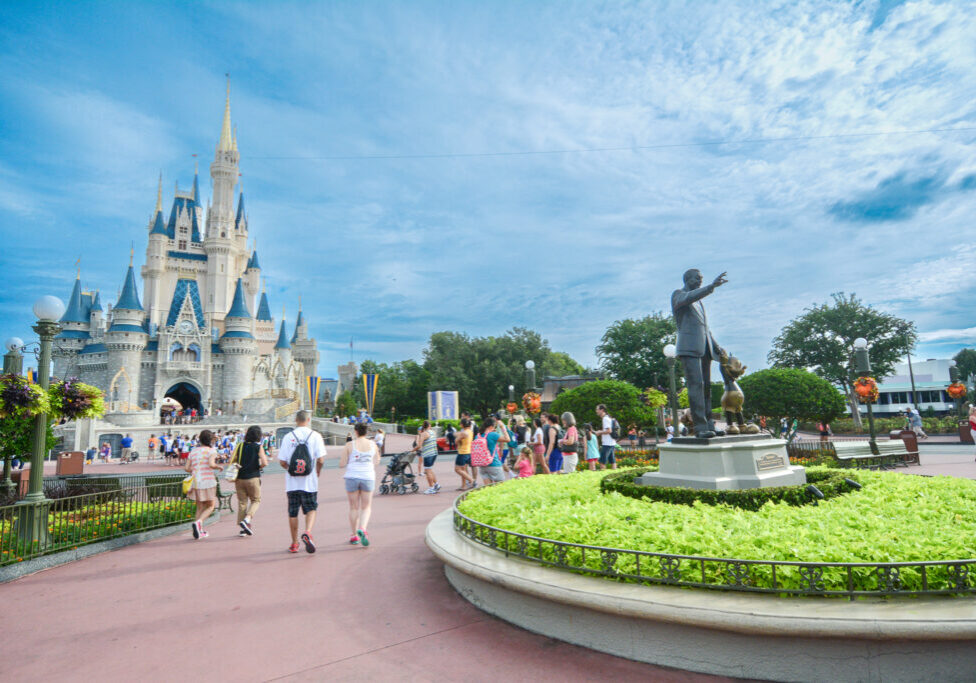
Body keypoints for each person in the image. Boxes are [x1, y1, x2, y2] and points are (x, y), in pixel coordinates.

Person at [672, 269, 728, 438]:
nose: (700, 281)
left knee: (706, 389)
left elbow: (705, 328)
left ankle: (710, 424)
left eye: (702, 279)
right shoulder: (679, 295)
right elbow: (689, 297)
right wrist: (711, 287)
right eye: (698, 278)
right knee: (695, 387)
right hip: (688, 347)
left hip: (704, 348)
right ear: (688, 279)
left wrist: (716, 347)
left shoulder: (699, 303)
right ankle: (700, 427)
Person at [277, 411, 327, 554]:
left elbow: (282, 461)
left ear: (296, 420)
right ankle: (308, 531)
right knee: (311, 508)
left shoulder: (288, 437)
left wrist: (290, 469)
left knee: (293, 513)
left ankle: (294, 543)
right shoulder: (316, 436)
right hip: (309, 481)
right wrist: (317, 470)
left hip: (292, 482)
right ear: (308, 419)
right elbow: (321, 459)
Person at [340, 422, 380, 547]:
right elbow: (377, 460)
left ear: (355, 431)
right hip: (367, 476)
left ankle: (354, 535)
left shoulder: (349, 445)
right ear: (366, 432)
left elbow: (342, 463)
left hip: (352, 476)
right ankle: (363, 528)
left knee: (353, 507)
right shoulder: (373, 444)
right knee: (366, 507)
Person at [184, 429, 222, 539]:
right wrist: (218, 466)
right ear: (210, 440)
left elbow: (186, 468)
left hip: (196, 482)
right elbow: (211, 464)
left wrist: (196, 469)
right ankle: (199, 523)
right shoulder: (211, 451)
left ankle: (198, 531)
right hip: (207, 481)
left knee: (200, 507)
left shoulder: (193, 451)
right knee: (211, 506)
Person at [235, 425, 268, 537]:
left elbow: (232, 460)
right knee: (256, 500)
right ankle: (247, 520)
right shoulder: (258, 447)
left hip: (239, 478)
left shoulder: (239, 446)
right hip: (253, 477)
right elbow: (264, 462)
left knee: (242, 502)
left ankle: (243, 529)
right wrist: (258, 467)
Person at [414, 421, 441, 494]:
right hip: (434, 453)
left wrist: (413, 450)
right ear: (429, 426)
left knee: (427, 471)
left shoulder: (423, 434)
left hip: (428, 454)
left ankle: (431, 487)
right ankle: (436, 484)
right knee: (430, 470)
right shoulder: (433, 432)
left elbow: (419, 446)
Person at [478, 419, 506, 485]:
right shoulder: (493, 435)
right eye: (494, 427)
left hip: (482, 465)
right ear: (491, 427)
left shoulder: (478, 435)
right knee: (500, 488)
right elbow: (507, 439)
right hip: (494, 464)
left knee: (488, 489)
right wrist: (503, 427)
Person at [453, 417, 475, 490]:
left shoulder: (463, 433)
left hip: (462, 452)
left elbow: (456, 441)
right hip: (468, 452)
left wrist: (457, 436)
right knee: (463, 470)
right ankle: (463, 485)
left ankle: (471, 480)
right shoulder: (470, 431)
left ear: (462, 425)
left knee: (457, 469)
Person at [595, 404, 617, 470]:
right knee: (612, 461)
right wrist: (601, 431)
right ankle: (614, 473)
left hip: (607, 443)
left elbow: (609, 430)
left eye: (597, 409)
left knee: (602, 462)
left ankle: (602, 474)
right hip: (611, 442)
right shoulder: (608, 417)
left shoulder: (605, 419)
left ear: (602, 410)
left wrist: (599, 432)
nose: (596, 411)